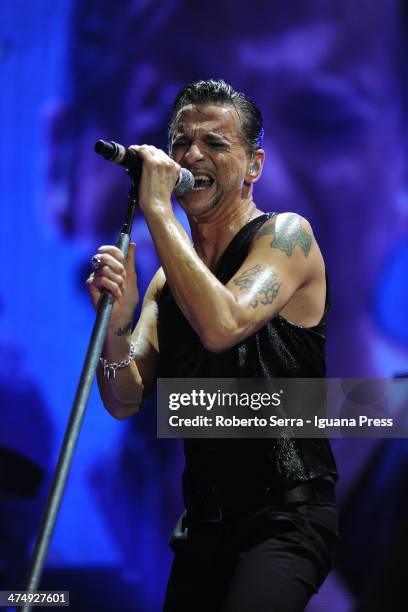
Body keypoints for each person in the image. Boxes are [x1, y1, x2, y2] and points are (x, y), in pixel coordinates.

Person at [86, 79, 339, 612]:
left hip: (284, 521)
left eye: (216, 144)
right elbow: (123, 399)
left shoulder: (286, 237)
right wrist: (117, 325)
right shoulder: (167, 285)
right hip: (202, 526)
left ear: (254, 166)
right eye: (181, 142)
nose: (191, 155)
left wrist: (158, 211)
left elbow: (224, 324)